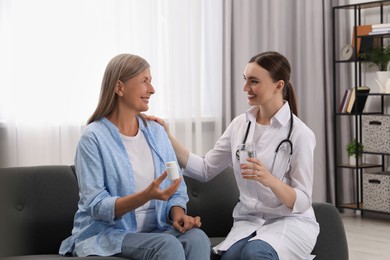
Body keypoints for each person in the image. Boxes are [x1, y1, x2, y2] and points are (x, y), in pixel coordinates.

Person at [148, 51, 319, 260]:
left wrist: (270, 180)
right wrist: (168, 137)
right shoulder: (240, 125)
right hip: (250, 221)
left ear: (279, 85)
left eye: (254, 81)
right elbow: (204, 169)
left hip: (290, 223)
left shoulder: (300, 134)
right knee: (228, 258)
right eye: (245, 80)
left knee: (254, 254)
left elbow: (302, 200)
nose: (245, 88)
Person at [59, 53, 210, 260]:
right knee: (167, 246)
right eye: (144, 81)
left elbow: (176, 187)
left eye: (151, 81)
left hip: (155, 231)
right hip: (108, 234)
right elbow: (96, 205)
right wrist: (145, 196)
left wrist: (178, 215)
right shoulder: (93, 138)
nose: (152, 89)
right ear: (119, 87)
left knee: (197, 238)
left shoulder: (157, 133)